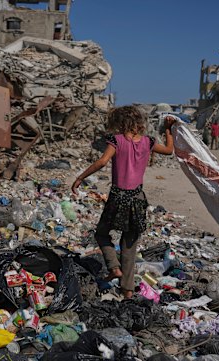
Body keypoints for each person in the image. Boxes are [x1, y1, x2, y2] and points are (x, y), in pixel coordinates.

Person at [72, 106, 174, 298]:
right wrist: (168, 130)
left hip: (118, 197)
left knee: (102, 233)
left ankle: (114, 267)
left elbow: (102, 162)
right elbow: (169, 150)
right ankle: (127, 291)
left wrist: (80, 177)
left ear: (119, 123)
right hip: (137, 198)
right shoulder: (148, 142)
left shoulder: (116, 141)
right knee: (129, 245)